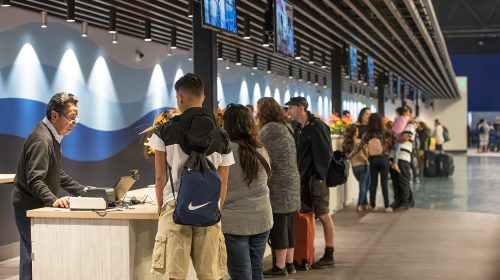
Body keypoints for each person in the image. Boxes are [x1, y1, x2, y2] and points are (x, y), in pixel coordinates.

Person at [149, 73, 235, 280]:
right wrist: (216, 208)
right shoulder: (221, 135)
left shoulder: (164, 131)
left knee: (175, 275)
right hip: (209, 208)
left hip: (175, 206)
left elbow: (160, 178)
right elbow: (223, 181)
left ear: (179, 98)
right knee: (210, 275)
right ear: (203, 97)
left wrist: (162, 206)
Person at [11, 92, 86, 280]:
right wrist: (53, 200)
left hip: (35, 204)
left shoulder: (52, 137)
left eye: (76, 118)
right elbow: (35, 179)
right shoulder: (42, 139)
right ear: (54, 115)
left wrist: (85, 191)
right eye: (71, 117)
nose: (74, 123)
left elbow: (56, 174)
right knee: (32, 256)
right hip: (28, 206)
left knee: (34, 255)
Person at [221, 104, 273, 280]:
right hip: (262, 218)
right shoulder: (261, 149)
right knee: (256, 269)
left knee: (240, 274)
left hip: (235, 223)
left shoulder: (225, 152)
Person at [285, 96, 336, 269]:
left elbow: (325, 153)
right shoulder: (298, 127)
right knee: (308, 214)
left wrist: (320, 176)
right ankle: (308, 252)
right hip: (303, 178)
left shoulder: (317, 126)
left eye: (290, 107)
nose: (288, 111)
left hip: (316, 178)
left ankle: (329, 254)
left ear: (301, 108)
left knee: (323, 214)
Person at [256, 97, 301, 277]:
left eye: (258, 110)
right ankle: (289, 264)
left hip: (279, 185)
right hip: (290, 182)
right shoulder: (285, 126)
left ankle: (279, 267)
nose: (256, 114)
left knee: (279, 228)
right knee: (288, 226)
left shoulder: (270, 129)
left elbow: (256, 148)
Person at [354, 113, 394, 212]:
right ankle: (387, 206)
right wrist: (388, 148)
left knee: (373, 183)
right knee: (384, 183)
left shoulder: (367, 134)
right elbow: (395, 139)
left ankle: (373, 205)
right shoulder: (384, 132)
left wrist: (349, 156)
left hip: (373, 160)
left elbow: (359, 147)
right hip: (384, 159)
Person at [390, 107, 418, 210]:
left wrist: (394, 138)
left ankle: (405, 202)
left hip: (403, 156)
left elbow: (405, 138)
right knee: (395, 180)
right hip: (393, 156)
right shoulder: (398, 123)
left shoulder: (410, 125)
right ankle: (400, 200)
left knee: (402, 180)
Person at [342, 125, 370, 212]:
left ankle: (365, 204)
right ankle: (360, 204)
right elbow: (366, 152)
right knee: (364, 186)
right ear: (355, 133)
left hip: (354, 167)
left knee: (363, 185)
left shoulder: (345, 144)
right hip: (363, 164)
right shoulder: (359, 142)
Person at [390, 107, 410, 173]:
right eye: (407, 112)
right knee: (397, 149)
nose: (408, 113)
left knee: (391, 147)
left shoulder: (398, 119)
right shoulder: (405, 118)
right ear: (404, 113)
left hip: (393, 133)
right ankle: (395, 163)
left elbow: (394, 126)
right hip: (397, 135)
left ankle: (389, 160)